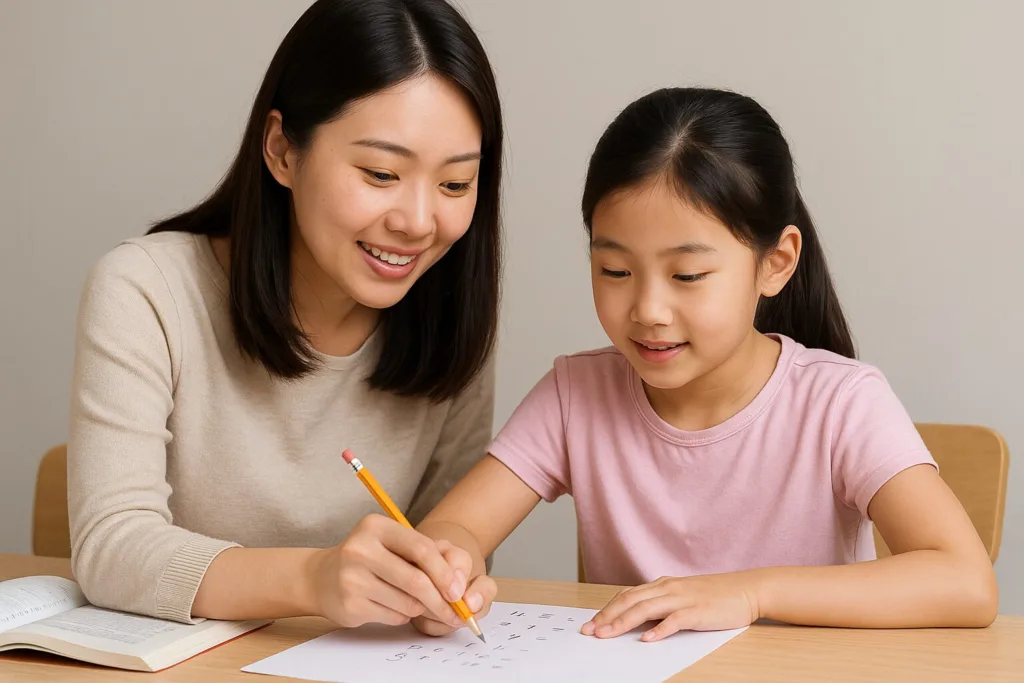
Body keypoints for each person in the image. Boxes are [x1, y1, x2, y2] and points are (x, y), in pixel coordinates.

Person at [416, 86, 999, 640]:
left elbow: (965, 583)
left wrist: (749, 594)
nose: (648, 310)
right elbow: (457, 526)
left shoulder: (841, 403)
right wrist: (445, 562)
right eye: (614, 271)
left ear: (775, 263)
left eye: (687, 276)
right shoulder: (576, 393)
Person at [67, 0, 503, 636]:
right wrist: (312, 580)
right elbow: (111, 549)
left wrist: (450, 570)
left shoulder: (449, 318)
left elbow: (449, 522)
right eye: (381, 173)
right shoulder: (146, 291)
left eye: (456, 185)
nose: (417, 221)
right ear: (281, 151)